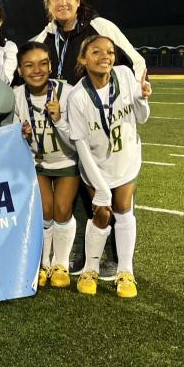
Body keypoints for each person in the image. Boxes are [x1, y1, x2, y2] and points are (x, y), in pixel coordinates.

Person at [66, 35, 151, 298]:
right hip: (96, 166)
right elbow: (81, 148)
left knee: (124, 210)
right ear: (83, 59)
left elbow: (142, 118)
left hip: (125, 160)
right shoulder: (77, 96)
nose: (106, 56)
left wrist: (142, 98)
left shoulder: (124, 75)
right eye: (97, 52)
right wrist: (101, 187)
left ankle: (126, 271)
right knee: (102, 213)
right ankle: (90, 268)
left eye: (110, 52)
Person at [13, 41, 79, 289]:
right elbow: (13, 133)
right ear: (20, 70)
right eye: (29, 65)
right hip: (36, 162)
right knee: (44, 210)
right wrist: (21, 133)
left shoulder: (68, 92)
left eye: (42, 63)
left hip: (66, 160)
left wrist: (60, 119)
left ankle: (60, 262)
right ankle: (42, 263)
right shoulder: (17, 95)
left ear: (51, 66)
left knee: (62, 209)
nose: (36, 70)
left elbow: (77, 138)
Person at [32, 0, 146, 85]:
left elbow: (136, 64)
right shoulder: (42, 40)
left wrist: (135, 95)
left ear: (78, 1)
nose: (62, 3)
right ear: (49, 5)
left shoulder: (101, 27)